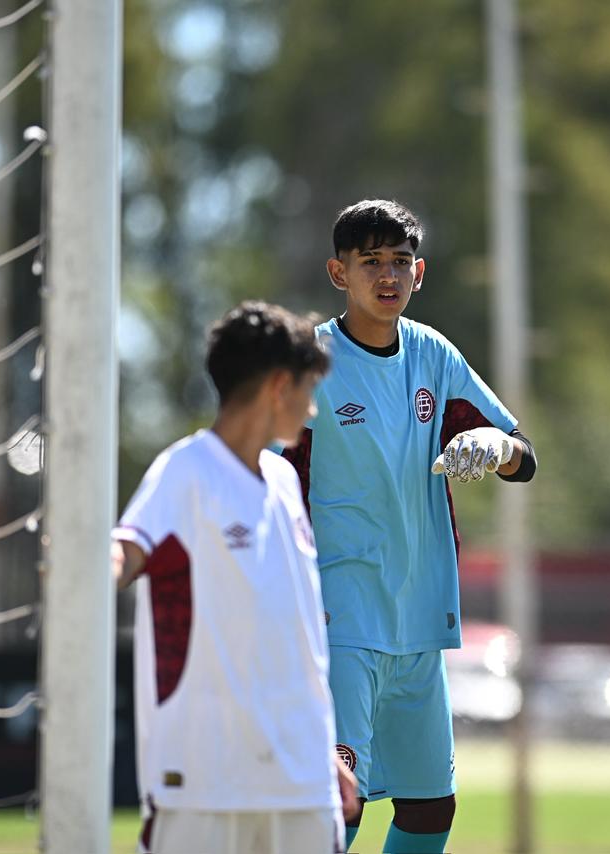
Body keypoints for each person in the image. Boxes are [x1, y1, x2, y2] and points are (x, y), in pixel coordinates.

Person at [282, 199, 537, 853]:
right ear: (339, 273)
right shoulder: (311, 362)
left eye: (399, 262)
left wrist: (497, 446)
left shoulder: (434, 355)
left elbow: (523, 455)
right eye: (371, 262)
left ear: (419, 273)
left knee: (430, 809)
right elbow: (266, 475)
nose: (387, 276)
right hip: (340, 616)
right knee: (337, 803)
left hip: (418, 619)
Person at [113, 301, 358, 854]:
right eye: (307, 390)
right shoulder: (185, 472)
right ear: (278, 386)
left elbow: (292, 633)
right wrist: (84, 567)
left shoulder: (285, 480)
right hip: (204, 785)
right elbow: (123, 554)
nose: (312, 409)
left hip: (302, 783)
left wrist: (322, 751)